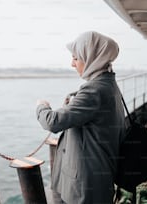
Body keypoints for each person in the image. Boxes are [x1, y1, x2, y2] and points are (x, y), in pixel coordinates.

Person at [36, 31, 126, 203]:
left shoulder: (94, 90)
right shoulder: (109, 84)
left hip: (86, 185)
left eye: (75, 58)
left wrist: (42, 106)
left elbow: (52, 122)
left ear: (92, 58)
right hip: (100, 176)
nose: (72, 63)